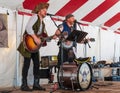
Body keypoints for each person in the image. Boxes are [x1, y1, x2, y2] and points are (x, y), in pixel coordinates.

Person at [17, 2, 49, 91]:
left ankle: (36, 84)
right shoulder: (35, 17)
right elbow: (28, 28)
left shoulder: (43, 24)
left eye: (46, 10)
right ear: (39, 11)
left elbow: (43, 36)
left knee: (37, 65)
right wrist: (35, 38)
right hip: (28, 44)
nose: (45, 12)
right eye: (43, 10)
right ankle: (24, 85)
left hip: (35, 47)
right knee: (26, 64)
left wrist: (54, 36)